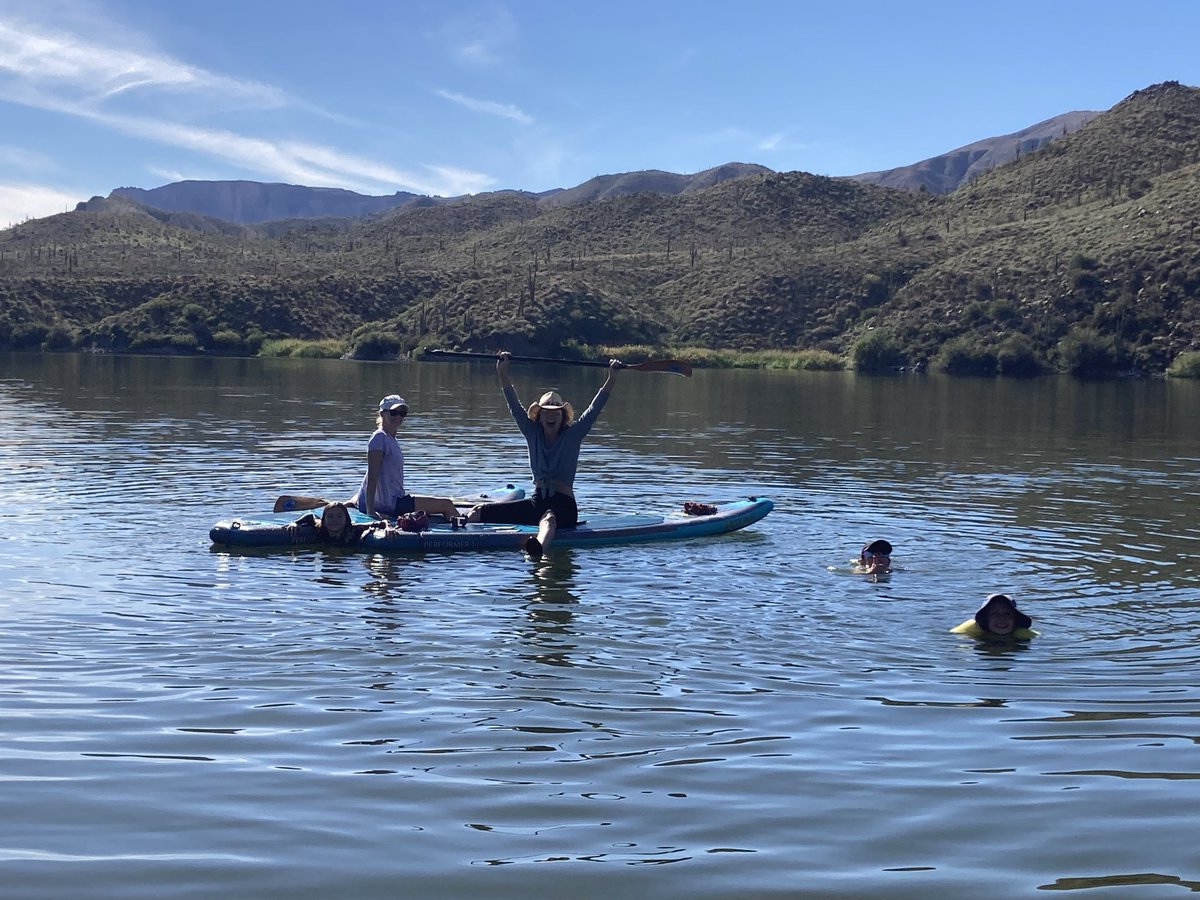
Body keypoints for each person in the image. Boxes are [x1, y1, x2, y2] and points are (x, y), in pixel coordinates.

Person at [468, 351, 620, 558]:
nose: (550, 416)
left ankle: (538, 550)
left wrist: (611, 378)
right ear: (539, 416)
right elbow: (514, 406)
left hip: (563, 505)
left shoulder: (574, 434)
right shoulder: (532, 432)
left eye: (555, 412)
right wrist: (502, 372)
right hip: (536, 501)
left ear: (562, 416)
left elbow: (595, 408)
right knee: (479, 511)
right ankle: (458, 538)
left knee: (548, 518)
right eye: (546, 412)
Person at [348, 394, 459, 520]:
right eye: (394, 412)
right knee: (446, 504)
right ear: (382, 414)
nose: (398, 417)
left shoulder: (391, 439)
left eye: (402, 413)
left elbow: (370, 476)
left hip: (394, 499)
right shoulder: (379, 438)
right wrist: (370, 512)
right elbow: (372, 476)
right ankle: (464, 533)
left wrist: (354, 500)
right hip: (390, 504)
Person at [951, 593, 1038, 639]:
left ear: (1015, 620)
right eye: (994, 614)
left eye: (1007, 614)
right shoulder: (971, 635)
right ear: (986, 619)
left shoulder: (1025, 637)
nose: (1002, 618)